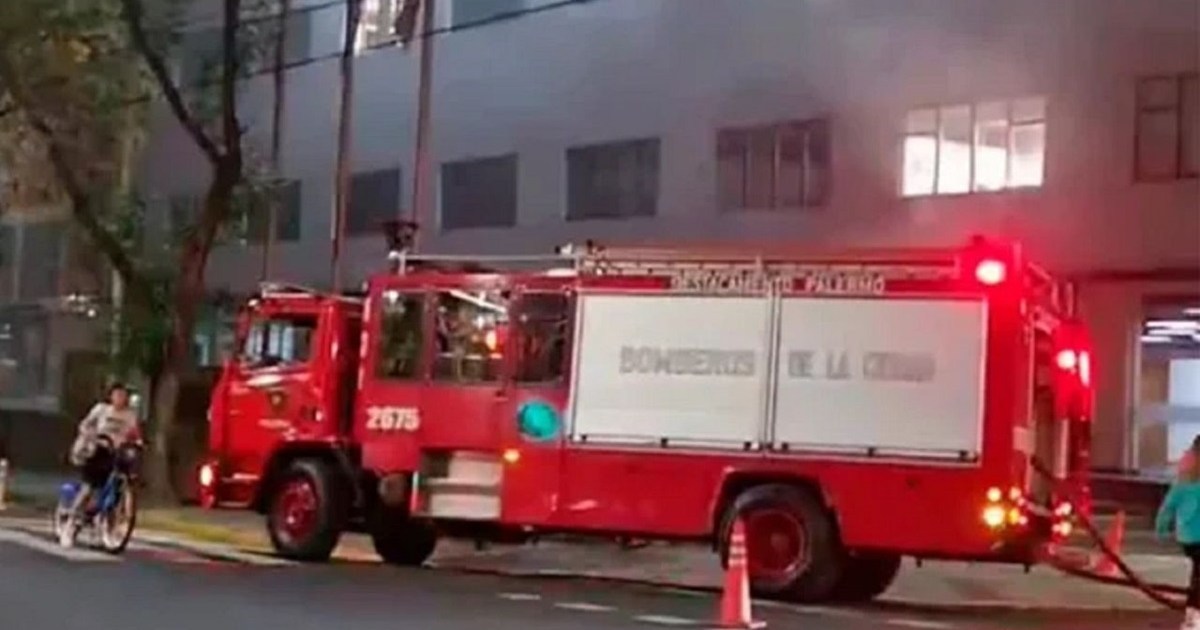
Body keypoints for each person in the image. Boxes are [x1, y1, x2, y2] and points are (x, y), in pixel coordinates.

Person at [60, 382, 141, 547]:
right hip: (98, 451)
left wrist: (138, 441)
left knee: (118, 487)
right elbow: (85, 425)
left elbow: (135, 433)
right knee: (89, 487)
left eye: (124, 395)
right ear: (111, 396)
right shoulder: (101, 410)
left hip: (118, 453)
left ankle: (108, 526)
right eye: (117, 394)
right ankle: (71, 523)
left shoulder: (130, 415)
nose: (120, 398)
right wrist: (92, 436)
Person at [1156, 435, 1200, 629]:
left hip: (1188, 538)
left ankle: (1193, 616)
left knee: (1198, 574)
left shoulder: (1183, 482)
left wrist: (1162, 530)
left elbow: (1167, 508)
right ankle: (1193, 617)